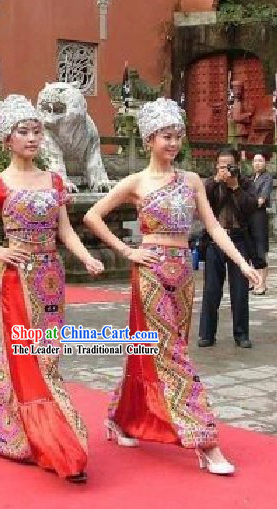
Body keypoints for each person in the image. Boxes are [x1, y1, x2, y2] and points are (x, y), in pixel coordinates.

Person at [83, 98, 259, 475]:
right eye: (166, 136)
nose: (173, 143)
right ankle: (205, 440)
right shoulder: (136, 182)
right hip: (149, 270)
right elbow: (92, 215)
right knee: (173, 354)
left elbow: (212, 228)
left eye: (178, 136)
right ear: (149, 139)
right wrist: (127, 251)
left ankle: (121, 418)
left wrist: (244, 264)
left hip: (183, 274)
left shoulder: (192, 180)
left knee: (153, 350)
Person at [0, 94, 103, 483]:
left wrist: (86, 257)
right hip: (16, 280)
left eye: (37, 130)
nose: (33, 137)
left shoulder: (54, 180)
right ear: (7, 139)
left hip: (52, 278)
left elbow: (65, 229)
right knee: (27, 357)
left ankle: (8, 426)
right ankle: (58, 443)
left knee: (47, 356)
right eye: (24, 131)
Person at [199, 149, 258, 348]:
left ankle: (241, 334)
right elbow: (201, 202)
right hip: (215, 242)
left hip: (239, 240)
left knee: (240, 290)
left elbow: (251, 207)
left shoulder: (246, 183)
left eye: (230, 166)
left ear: (237, 166)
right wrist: (217, 181)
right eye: (222, 166)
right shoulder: (210, 184)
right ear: (217, 166)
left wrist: (235, 188)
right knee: (211, 290)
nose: (226, 170)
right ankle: (207, 334)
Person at [248, 153, 273, 295]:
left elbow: (261, 199)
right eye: (255, 160)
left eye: (260, 160)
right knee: (251, 248)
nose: (257, 163)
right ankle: (255, 281)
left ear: (265, 162)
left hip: (259, 215)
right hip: (249, 216)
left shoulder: (267, 177)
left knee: (260, 248)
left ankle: (262, 284)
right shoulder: (251, 178)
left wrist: (247, 204)